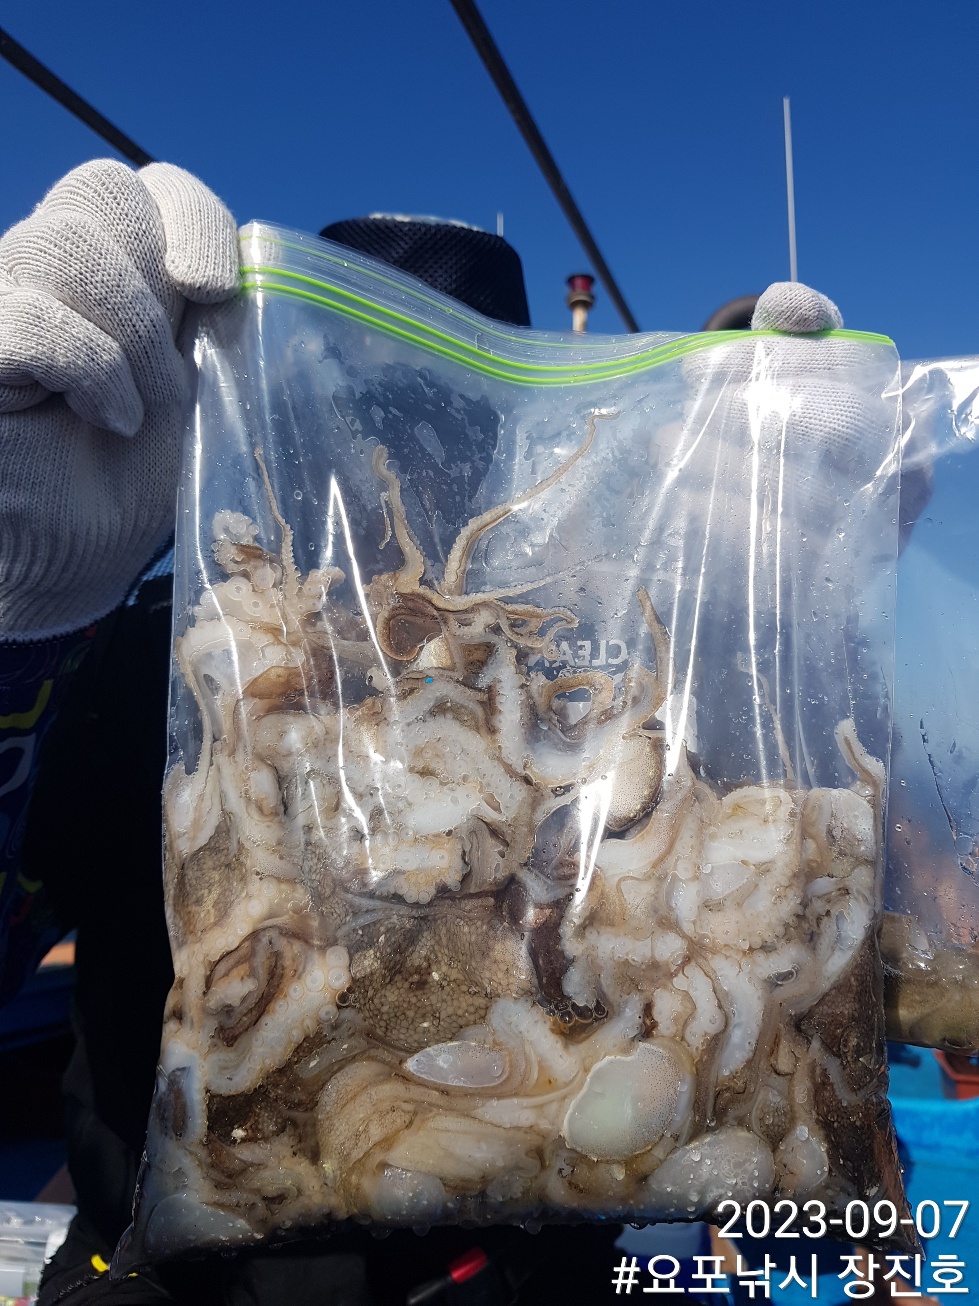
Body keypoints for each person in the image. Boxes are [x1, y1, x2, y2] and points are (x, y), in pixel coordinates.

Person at [0, 160, 845, 1305]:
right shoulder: (160, 658)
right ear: (287, 418)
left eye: (451, 416)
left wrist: (782, 641)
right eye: (369, 409)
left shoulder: (590, 692)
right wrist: (22, 618)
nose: (406, 461)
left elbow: (799, 1185)